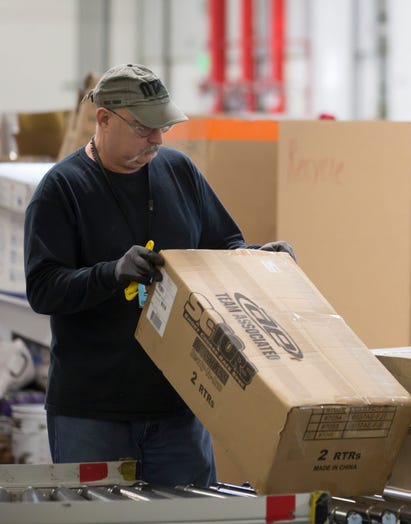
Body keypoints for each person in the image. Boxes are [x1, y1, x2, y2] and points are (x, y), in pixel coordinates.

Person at [23, 63, 295, 487]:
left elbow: (223, 246)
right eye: (144, 128)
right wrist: (110, 273)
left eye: (163, 126)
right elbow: (43, 290)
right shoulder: (63, 190)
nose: (158, 139)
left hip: (179, 410)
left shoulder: (179, 172)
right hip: (93, 414)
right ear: (104, 118)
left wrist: (259, 259)